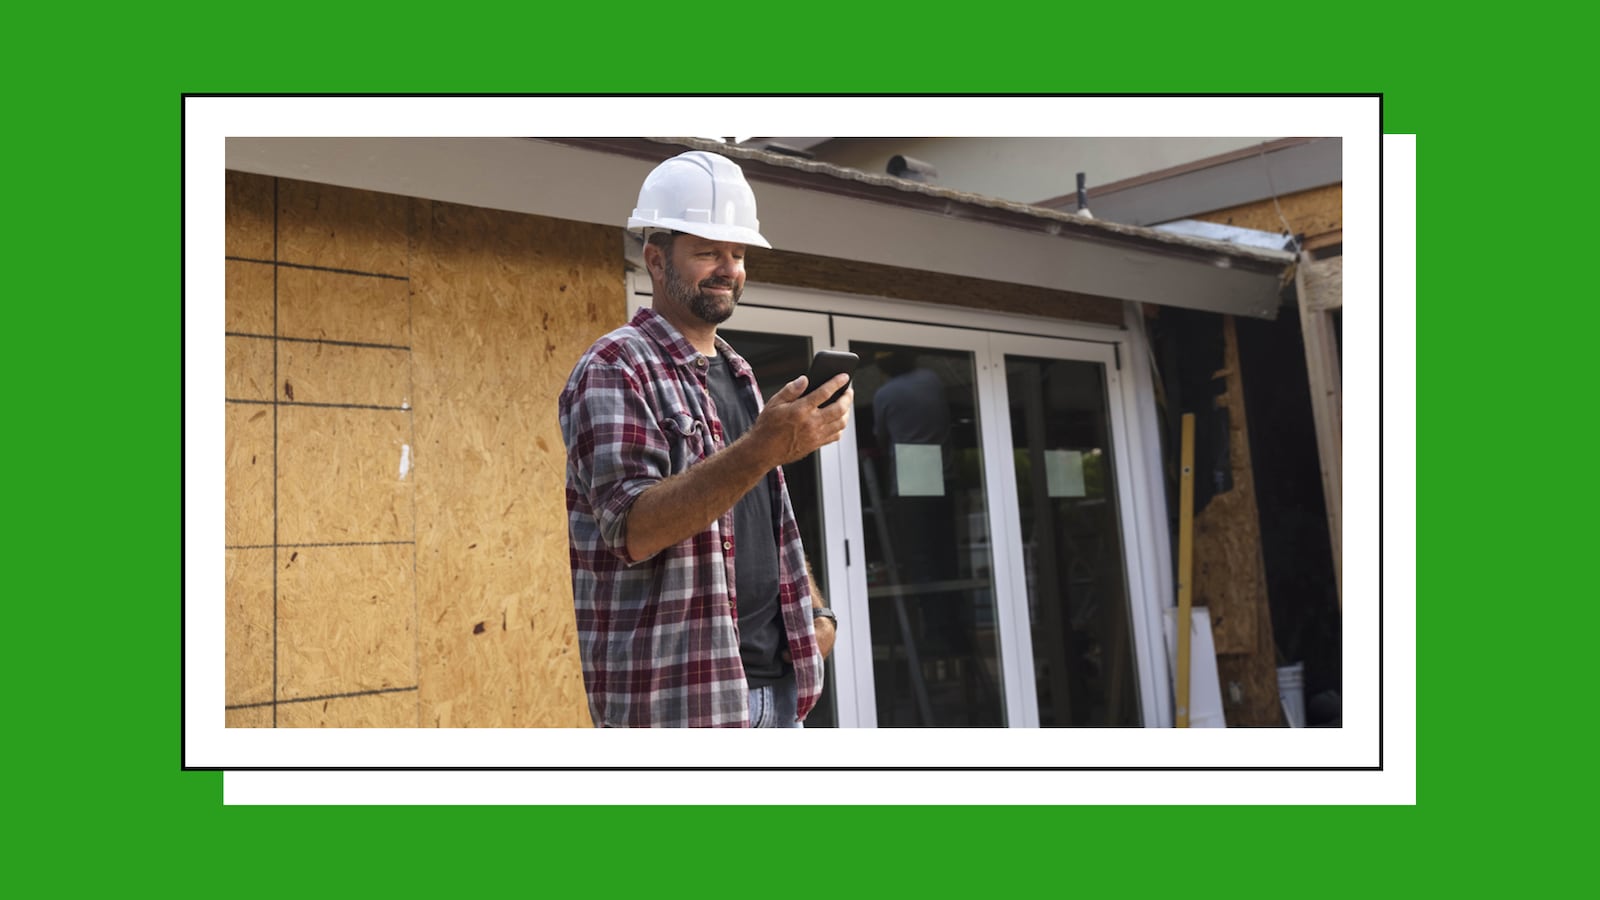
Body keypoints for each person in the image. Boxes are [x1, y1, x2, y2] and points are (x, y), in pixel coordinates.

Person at [559, 150, 852, 727]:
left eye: (738, 253)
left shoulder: (738, 372)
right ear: (655, 259)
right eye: (707, 252)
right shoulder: (616, 367)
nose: (728, 268)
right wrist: (764, 447)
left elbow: (765, 517)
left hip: (777, 693)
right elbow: (633, 529)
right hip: (680, 705)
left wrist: (818, 613)